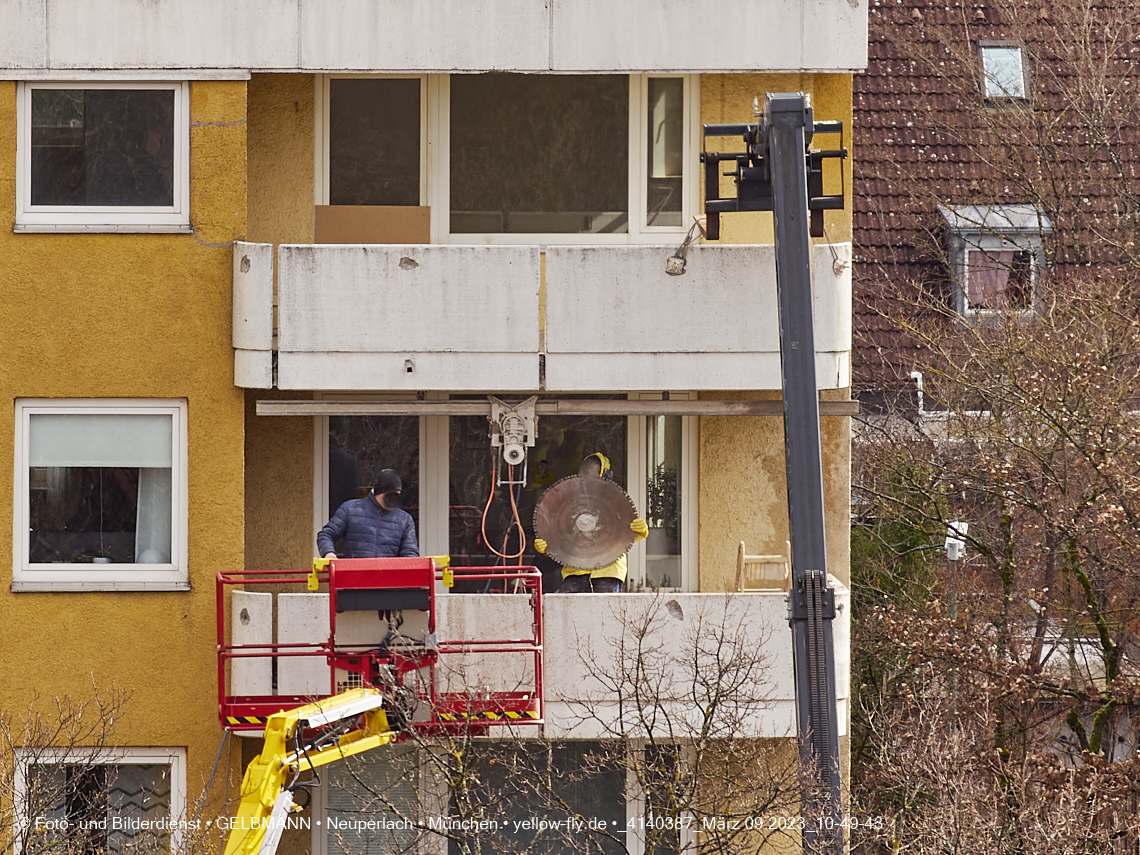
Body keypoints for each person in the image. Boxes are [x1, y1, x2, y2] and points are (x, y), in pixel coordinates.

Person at [534, 452, 648, 593]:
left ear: (606, 475)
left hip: (607, 572)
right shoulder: (569, 503)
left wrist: (640, 529)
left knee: (606, 612)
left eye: (593, 474)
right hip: (575, 571)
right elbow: (561, 535)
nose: (588, 478)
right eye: (585, 474)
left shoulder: (616, 500)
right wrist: (547, 547)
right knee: (563, 609)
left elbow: (625, 535)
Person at [318, 469, 419, 559]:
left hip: (388, 577)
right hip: (354, 576)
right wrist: (329, 553)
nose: (394, 499)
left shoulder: (404, 519)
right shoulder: (350, 509)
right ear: (379, 491)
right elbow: (327, 534)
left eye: (397, 495)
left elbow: (410, 552)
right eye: (391, 495)